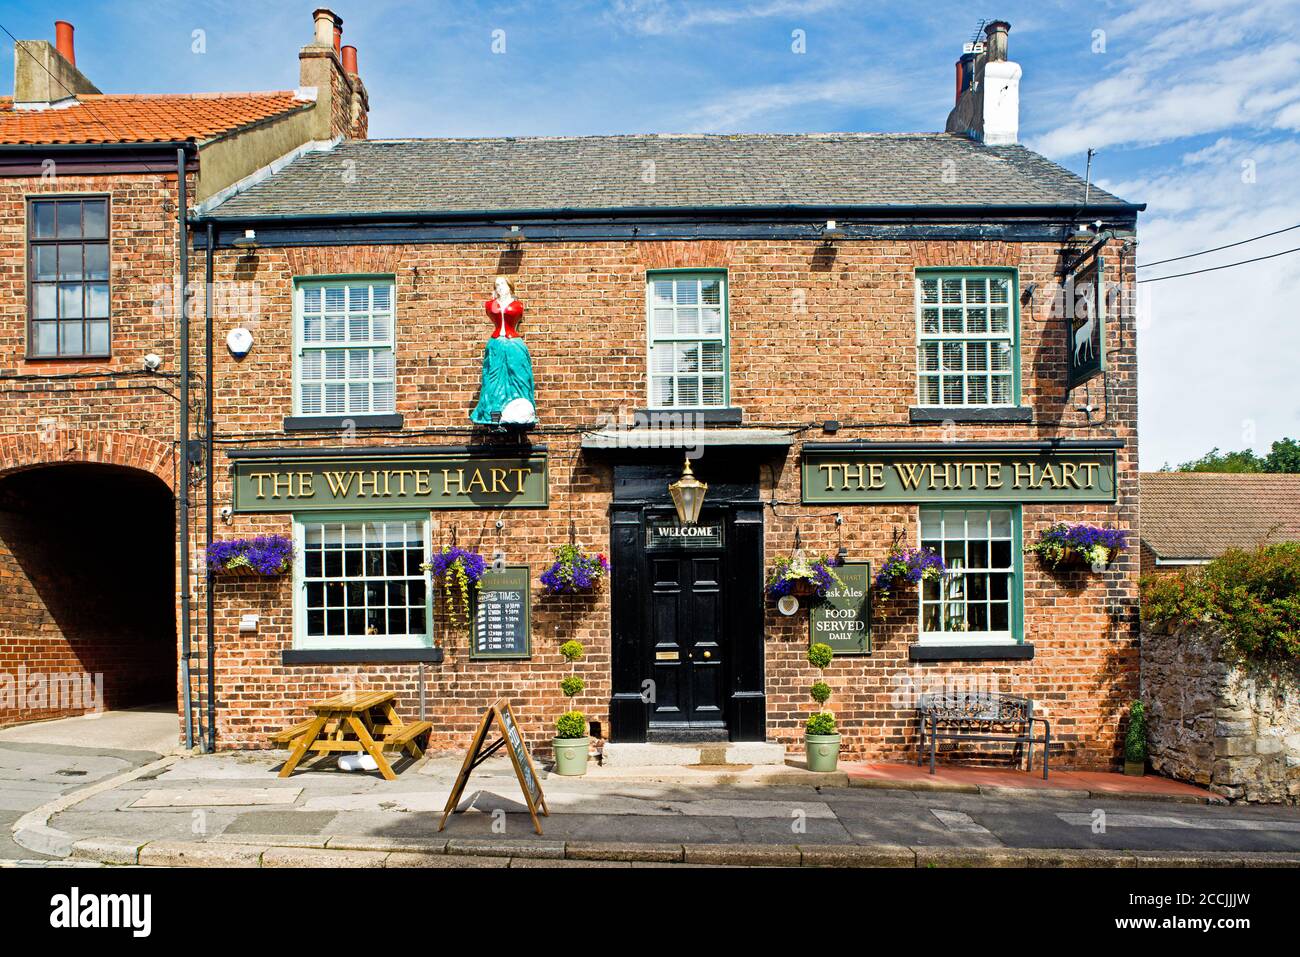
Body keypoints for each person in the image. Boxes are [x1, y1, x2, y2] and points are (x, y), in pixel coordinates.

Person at [470, 275, 537, 426]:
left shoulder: (518, 305)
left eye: (502, 284)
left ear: (509, 286)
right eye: (497, 285)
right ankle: (493, 414)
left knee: (519, 376)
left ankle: (521, 412)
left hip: (514, 345)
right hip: (496, 345)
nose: (499, 287)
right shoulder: (490, 305)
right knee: (493, 379)